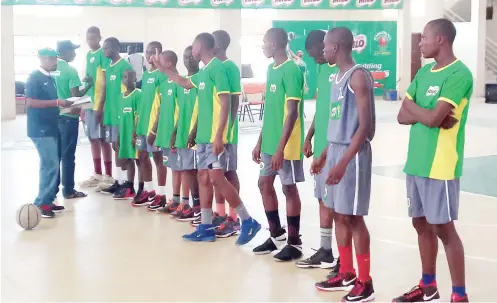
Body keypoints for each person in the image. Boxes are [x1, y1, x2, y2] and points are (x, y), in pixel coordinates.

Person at [152, 32, 260, 245]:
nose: (192, 49)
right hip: (202, 136)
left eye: (194, 45)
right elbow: (183, 82)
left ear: (203, 46)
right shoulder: (203, 72)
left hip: (213, 137)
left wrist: (220, 135)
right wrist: (163, 68)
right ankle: (206, 226)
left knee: (218, 178)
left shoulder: (218, 69)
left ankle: (247, 220)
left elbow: (226, 102)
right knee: (203, 177)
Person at [393, 18, 472, 303]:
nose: (420, 42)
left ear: (440, 39)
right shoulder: (424, 72)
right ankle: (428, 286)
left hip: (441, 165)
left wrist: (420, 111)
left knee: (444, 229)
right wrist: (423, 114)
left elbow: (432, 117)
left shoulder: (460, 74)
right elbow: (403, 115)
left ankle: (459, 295)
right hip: (415, 162)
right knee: (421, 225)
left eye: (424, 37)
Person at [313, 27, 376, 303]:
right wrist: (327, 153)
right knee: (339, 214)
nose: (323, 49)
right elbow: (340, 123)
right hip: (337, 152)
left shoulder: (358, 76)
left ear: (336, 47)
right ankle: (347, 272)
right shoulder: (336, 78)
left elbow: (365, 127)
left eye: (326, 45)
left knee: (354, 218)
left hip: (354, 155)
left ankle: (365, 283)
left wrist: (343, 162)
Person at [251, 28, 305, 262]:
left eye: (264, 42)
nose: (262, 46)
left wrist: (281, 148)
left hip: (287, 145)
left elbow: (292, 113)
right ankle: (276, 235)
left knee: (288, 188)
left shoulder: (292, 70)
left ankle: (294, 242)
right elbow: (272, 112)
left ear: (274, 44)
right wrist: (260, 141)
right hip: (270, 143)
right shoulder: (271, 69)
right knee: (264, 183)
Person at [297, 30, 340, 270]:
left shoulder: (343, 73)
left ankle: (346, 260)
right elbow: (321, 110)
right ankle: (325, 250)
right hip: (321, 147)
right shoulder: (323, 71)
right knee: (323, 199)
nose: (315, 57)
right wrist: (309, 137)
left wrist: (327, 151)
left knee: (339, 206)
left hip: (336, 150)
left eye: (317, 52)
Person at [26, 48, 73, 218]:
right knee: (50, 165)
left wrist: (65, 105)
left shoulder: (50, 78)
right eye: (52, 60)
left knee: (49, 164)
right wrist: (57, 101)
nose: (55, 63)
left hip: (51, 126)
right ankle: (41, 203)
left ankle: (47, 200)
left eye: (56, 59)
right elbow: (30, 102)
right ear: (43, 59)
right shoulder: (34, 78)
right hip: (40, 128)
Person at [163, 45, 201, 221]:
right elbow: (182, 111)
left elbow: (203, 110)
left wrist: (193, 131)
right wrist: (175, 132)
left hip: (194, 136)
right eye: (185, 57)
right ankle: (186, 204)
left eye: (191, 57)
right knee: (186, 169)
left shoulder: (201, 80)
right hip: (182, 134)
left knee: (194, 172)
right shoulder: (183, 81)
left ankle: (197, 206)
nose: (188, 60)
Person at [211, 29, 243, 237]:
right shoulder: (212, 68)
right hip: (213, 131)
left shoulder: (230, 68)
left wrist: (226, 132)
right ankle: (220, 213)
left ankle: (234, 217)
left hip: (226, 133)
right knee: (216, 174)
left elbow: (233, 101)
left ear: (218, 46)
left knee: (229, 172)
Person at [53, 40, 91, 199]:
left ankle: (52, 189)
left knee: (55, 155)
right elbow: (75, 97)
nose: (74, 54)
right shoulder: (70, 70)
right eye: (73, 51)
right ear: (65, 52)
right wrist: (88, 86)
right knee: (68, 156)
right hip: (68, 118)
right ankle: (68, 190)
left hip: (54, 117)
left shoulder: (51, 68)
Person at [132, 41, 168, 207]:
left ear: (159, 55)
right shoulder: (146, 75)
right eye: (146, 53)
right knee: (142, 157)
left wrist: (155, 128)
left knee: (159, 160)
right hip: (142, 125)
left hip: (155, 127)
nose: (148, 56)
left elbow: (162, 104)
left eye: (152, 53)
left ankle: (161, 195)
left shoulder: (163, 75)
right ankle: (149, 190)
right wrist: (136, 123)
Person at [79, 26, 114, 190]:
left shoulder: (102, 54)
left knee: (102, 139)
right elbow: (90, 79)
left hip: (101, 103)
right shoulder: (88, 55)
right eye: (88, 38)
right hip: (89, 102)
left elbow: (105, 80)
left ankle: (108, 176)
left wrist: (102, 105)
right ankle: (97, 174)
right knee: (92, 138)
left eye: (93, 38)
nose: (90, 41)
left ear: (99, 37)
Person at [147, 50, 182, 211]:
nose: (156, 64)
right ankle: (174, 200)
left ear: (168, 64)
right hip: (164, 134)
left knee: (180, 168)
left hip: (175, 135)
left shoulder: (179, 82)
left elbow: (183, 111)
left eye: (159, 61)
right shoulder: (164, 83)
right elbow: (161, 108)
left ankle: (183, 201)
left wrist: (175, 133)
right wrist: (154, 131)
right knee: (172, 167)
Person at [100, 37, 133, 195]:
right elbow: (106, 91)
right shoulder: (108, 66)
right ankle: (118, 181)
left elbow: (128, 92)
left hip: (121, 116)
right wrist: (102, 109)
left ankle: (128, 183)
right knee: (115, 147)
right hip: (110, 114)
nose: (104, 51)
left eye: (106, 48)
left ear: (115, 48)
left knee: (122, 148)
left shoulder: (124, 66)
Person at [113, 70, 141, 200]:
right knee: (127, 159)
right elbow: (120, 119)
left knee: (139, 160)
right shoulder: (120, 97)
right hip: (124, 133)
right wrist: (118, 136)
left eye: (130, 76)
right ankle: (129, 186)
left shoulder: (138, 95)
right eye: (124, 77)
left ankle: (141, 188)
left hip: (134, 134)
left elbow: (140, 116)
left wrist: (136, 132)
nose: (127, 79)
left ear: (135, 77)